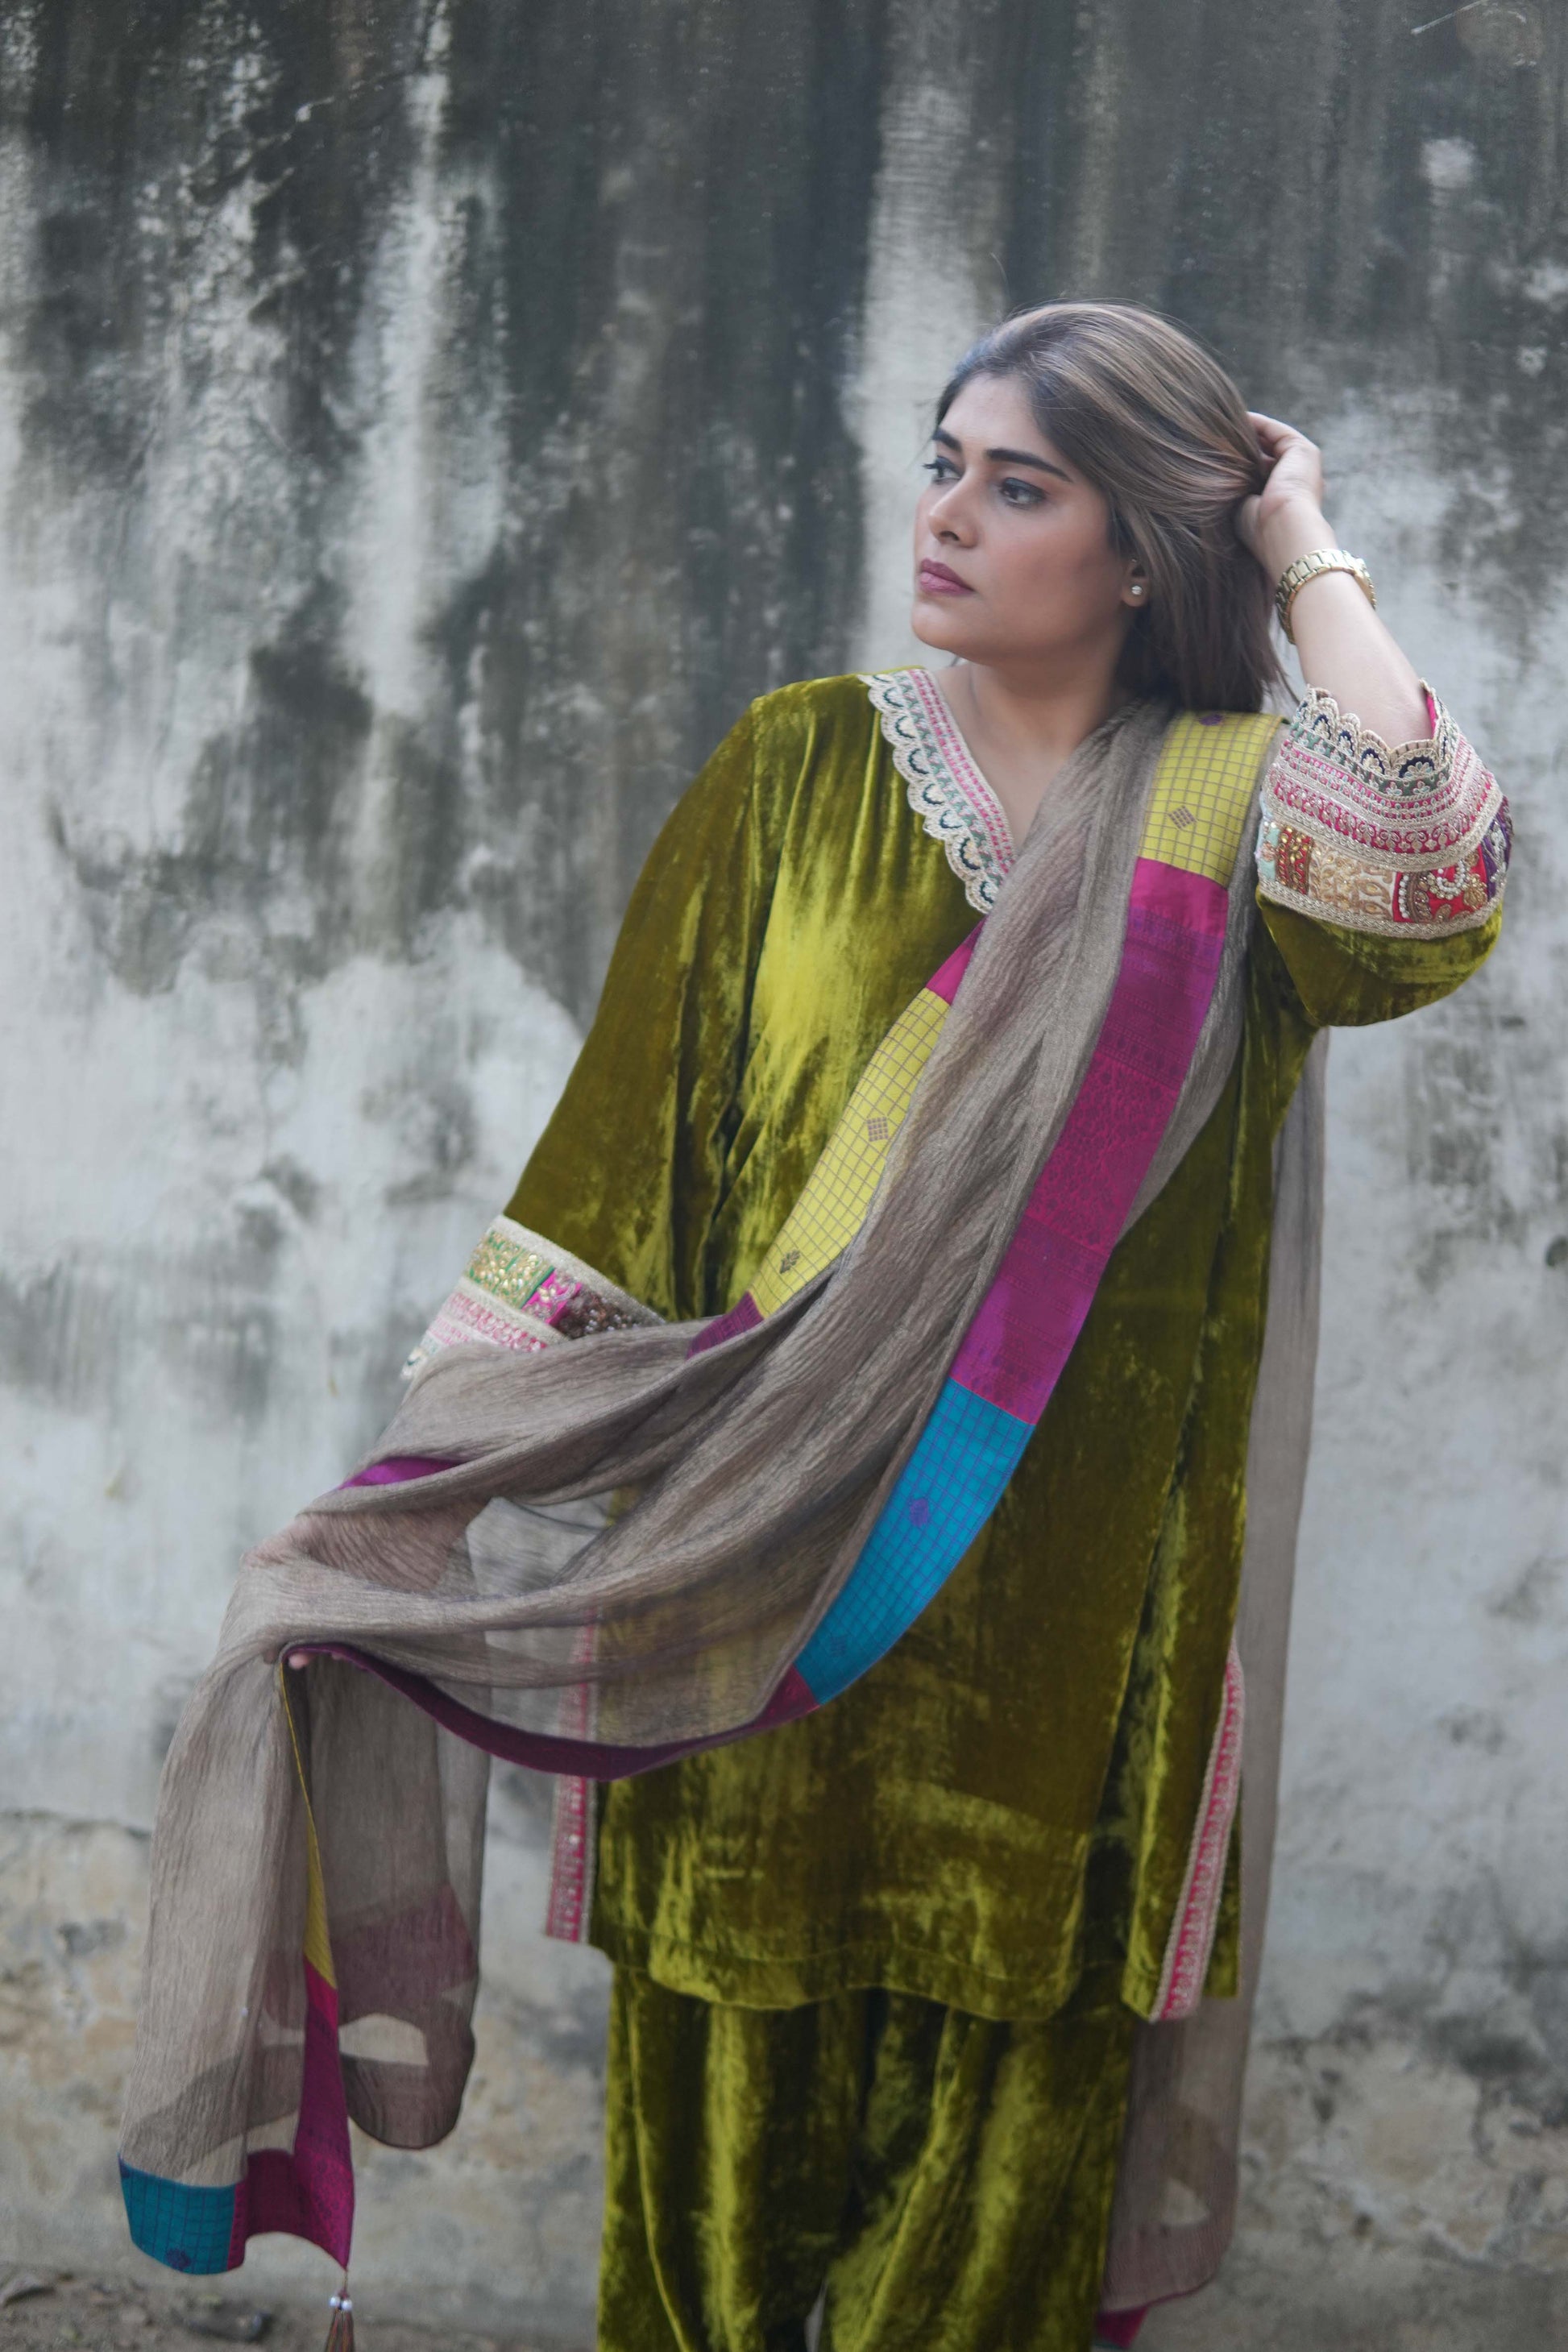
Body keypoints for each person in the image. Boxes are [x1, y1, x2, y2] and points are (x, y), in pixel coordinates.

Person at [120, 303, 1508, 2352]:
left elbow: (1434, 880)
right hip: (755, 1600)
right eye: (942, 464)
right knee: (708, 2239)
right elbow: (616, 1180)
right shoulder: (796, 770)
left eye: (1016, 486)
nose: (942, 515)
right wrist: (421, 1498)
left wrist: (1299, 537)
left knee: (986, 2253)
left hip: (1073, 1658)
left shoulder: (1240, 819)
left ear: (1141, 550)